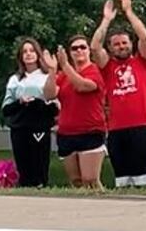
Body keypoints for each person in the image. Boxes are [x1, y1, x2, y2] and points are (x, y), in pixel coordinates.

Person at [90, 0, 146, 188]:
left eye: (124, 43)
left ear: (131, 44)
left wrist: (129, 12)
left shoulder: (143, 63)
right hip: (117, 128)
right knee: (123, 178)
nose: (121, 46)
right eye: (116, 44)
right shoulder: (108, 67)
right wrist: (106, 20)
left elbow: (144, 38)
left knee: (144, 177)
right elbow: (94, 47)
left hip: (142, 125)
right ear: (111, 48)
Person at [42, 36, 107, 188]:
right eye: (74, 48)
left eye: (83, 47)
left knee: (90, 179)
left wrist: (64, 65)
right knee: (76, 181)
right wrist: (52, 71)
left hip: (91, 131)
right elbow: (49, 94)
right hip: (67, 133)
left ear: (89, 51)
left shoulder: (96, 71)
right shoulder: (63, 75)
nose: (79, 51)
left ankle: (102, 205)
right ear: (69, 52)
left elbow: (83, 86)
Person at [1, 38, 58, 187]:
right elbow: (6, 109)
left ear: (38, 54)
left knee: (39, 164)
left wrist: (39, 102)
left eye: (32, 50)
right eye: (24, 51)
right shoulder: (15, 80)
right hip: (20, 127)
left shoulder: (47, 77)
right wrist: (20, 102)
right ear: (20, 57)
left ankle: (41, 187)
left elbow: (55, 105)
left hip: (39, 127)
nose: (28, 54)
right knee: (23, 165)